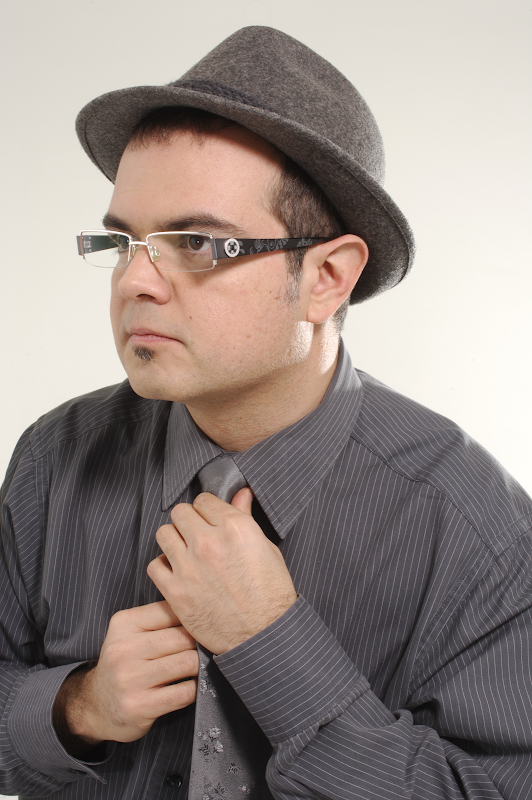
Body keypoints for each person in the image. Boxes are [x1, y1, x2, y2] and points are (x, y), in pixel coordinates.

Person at [1, 25, 531, 800]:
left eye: (196, 244)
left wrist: (274, 645)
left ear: (327, 279)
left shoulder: (478, 528)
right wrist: (77, 706)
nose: (134, 284)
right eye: (125, 243)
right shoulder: (53, 461)